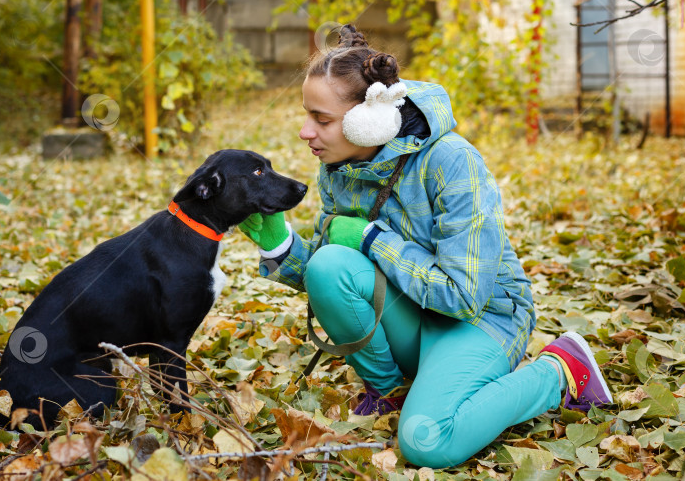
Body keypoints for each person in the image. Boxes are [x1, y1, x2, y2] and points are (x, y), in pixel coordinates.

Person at [239, 24, 613, 468]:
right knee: (329, 265)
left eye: (321, 119)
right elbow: (331, 276)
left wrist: (374, 239)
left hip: (482, 320)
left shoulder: (452, 162)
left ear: (369, 119)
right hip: (415, 315)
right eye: (307, 115)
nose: (305, 132)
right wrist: (280, 245)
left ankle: (560, 371)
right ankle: (391, 392)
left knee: (426, 442)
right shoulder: (339, 170)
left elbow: (463, 295)